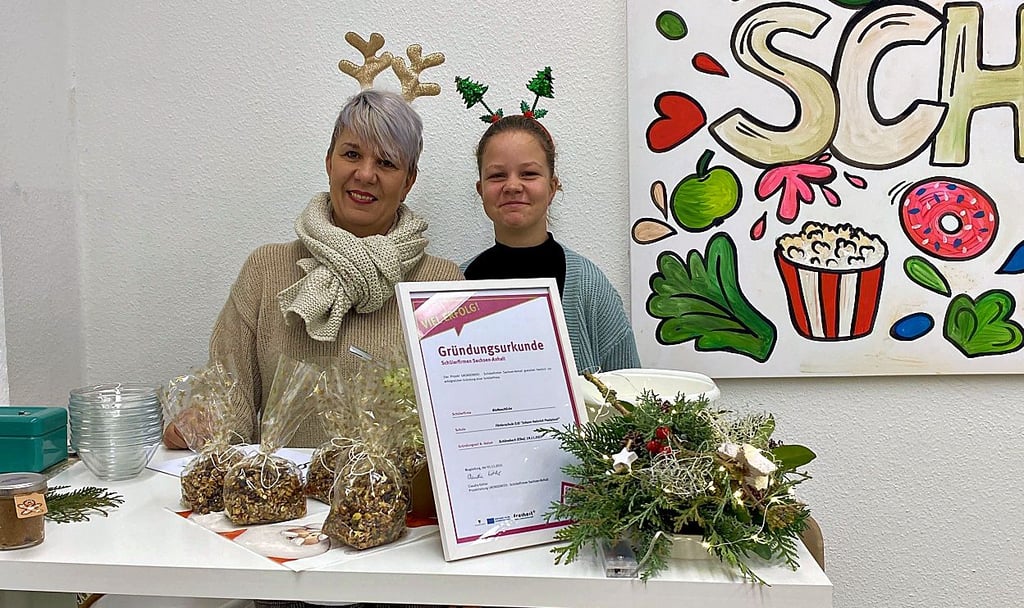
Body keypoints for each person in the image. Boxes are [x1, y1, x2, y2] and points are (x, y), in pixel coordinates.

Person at [163, 88, 461, 453]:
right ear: (329, 162)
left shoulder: (441, 284)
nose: (365, 174)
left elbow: (457, 419)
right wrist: (200, 423)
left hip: (396, 502)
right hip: (279, 497)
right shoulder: (265, 271)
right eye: (352, 154)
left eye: (386, 163)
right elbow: (232, 411)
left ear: (408, 181)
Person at [462, 115, 640, 374]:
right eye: (497, 175)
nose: (512, 185)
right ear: (481, 190)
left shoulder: (590, 287)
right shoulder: (454, 285)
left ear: (552, 187)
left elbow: (632, 393)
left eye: (529, 174)